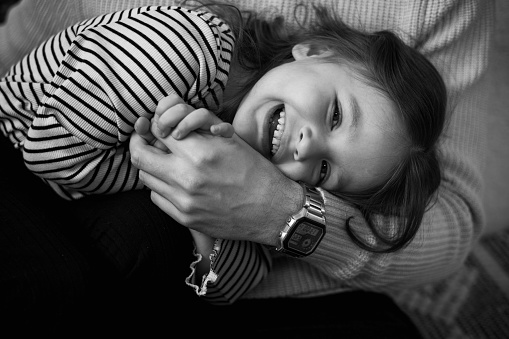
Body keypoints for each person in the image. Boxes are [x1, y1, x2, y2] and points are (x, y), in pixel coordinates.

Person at [0, 0, 493, 337]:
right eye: (336, 115)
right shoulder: (183, 48)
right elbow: (47, 156)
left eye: (323, 170)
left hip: (123, 222)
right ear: (313, 50)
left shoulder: (262, 169)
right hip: (28, 154)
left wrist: (252, 216)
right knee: (91, 266)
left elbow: (229, 285)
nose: (306, 147)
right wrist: (162, 156)